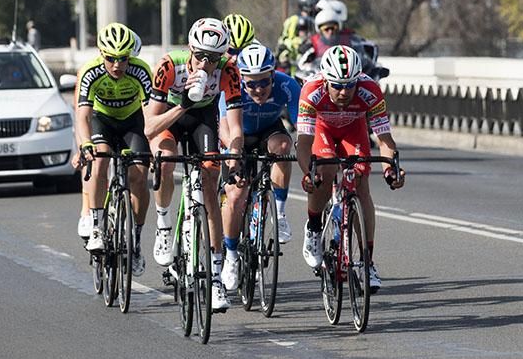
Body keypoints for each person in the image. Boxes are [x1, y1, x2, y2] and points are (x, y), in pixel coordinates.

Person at [145, 17, 243, 312]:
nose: (204, 64)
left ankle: (214, 279)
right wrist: (183, 104)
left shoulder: (228, 70)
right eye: (200, 55)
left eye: (213, 58)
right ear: (190, 48)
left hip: (204, 120)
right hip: (171, 117)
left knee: (210, 187)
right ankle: (164, 224)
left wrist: (235, 154)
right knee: (163, 160)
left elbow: (235, 128)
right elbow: (149, 126)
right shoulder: (169, 66)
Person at [296, 45, 406, 292]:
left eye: (349, 85)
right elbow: (303, 142)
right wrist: (308, 173)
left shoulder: (370, 91)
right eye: (337, 85)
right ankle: (314, 226)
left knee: (360, 184)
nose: (344, 91)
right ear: (325, 80)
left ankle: (367, 262)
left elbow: (384, 139)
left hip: (353, 130)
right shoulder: (311, 90)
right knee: (325, 171)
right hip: (322, 130)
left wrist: (391, 170)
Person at [73, 23, 153, 277]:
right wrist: (85, 144)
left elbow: (152, 112)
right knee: (100, 160)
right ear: (101, 54)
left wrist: (157, 144)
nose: (117, 65)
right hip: (102, 120)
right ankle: (96, 226)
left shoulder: (141, 71)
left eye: (123, 59)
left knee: (139, 177)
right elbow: (83, 115)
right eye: (111, 59)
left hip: (132, 121)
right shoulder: (91, 72)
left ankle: (136, 241)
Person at [218, 43, 299, 256]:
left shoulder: (287, 85)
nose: (259, 89)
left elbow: (304, 126)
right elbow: (224, 128)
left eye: (264, 82)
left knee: (283, 146)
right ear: (241, 79)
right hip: (237, 136)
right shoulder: (231, 86)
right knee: (236, 195)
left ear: (273, 75)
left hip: (268, 131)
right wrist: (233, 156)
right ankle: (231, 255)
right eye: (252, 84)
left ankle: (279, 214)